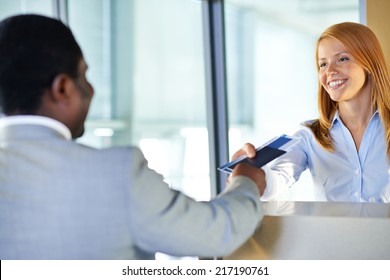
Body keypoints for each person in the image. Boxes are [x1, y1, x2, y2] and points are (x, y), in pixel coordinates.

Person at [0, 14, 265, 260]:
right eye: (84, 75)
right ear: (63, 89)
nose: (91, 89)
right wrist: (246, 181)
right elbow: (217, 232)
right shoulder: (115, 173)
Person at [234, 22, 390, 203]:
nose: (330, 71)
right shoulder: (310, 135)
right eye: (323, 64)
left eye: (342, 59)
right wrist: (248, 172)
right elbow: (274, 182)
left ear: (369, 63)